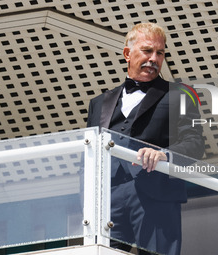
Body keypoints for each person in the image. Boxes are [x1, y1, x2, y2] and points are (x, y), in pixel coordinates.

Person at [86, 23, 204, 255]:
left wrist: (164, 155)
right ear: (127, 54)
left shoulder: (179, 94)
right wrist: (87, 201)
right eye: (147, 51)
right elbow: (87, 156)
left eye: (160, 53)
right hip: (106, 200)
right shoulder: (99, 102)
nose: (154, 58)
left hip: (157, 193)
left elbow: (195, 143)